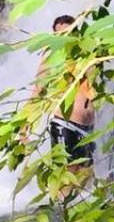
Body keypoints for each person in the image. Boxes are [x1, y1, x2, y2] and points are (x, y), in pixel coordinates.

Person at [41, 14, 96, 175]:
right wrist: (24, 129)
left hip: (88, 128)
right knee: (66, 174)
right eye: (60, 35)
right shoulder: (51, 57)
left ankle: (75, 201)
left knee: (87, 174)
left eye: (68, 33)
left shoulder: (89, 52)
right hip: (64, 123)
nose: (64, 38)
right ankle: (59, 200)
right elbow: (38, 90)